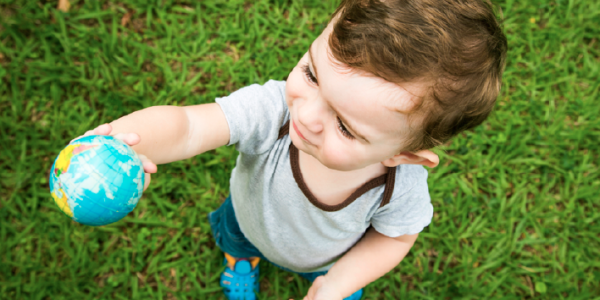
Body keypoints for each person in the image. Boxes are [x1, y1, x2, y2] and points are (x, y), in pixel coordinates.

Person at [77, 0, 507, 299]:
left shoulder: (400, 187)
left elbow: (394, 237)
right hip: (248, 218)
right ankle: (240, 262)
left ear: (402, 155)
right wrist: (126, 138)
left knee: (334, 276)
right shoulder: (274, 109)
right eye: (312, 74)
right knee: (236, 238)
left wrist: (339, 282)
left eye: (344, 125)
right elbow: (190, 125)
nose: (307, 115)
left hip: (329, 254)